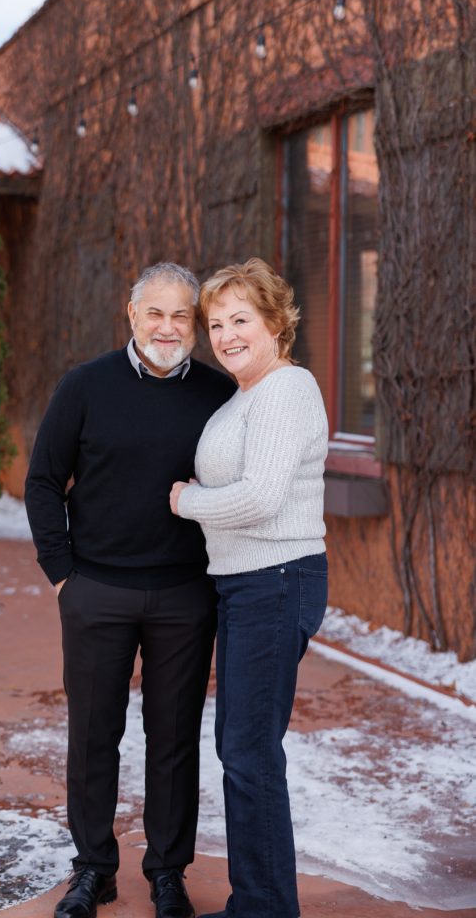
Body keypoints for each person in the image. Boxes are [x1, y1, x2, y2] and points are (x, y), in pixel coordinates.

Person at [25, 262, 235, 918]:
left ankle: (167, 873)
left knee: (173, 739)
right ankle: (93, 871)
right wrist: (62, 574)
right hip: (96, 590)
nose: (167, 327)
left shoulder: (217, 394)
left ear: (193, 325)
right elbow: (41, 481)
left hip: (182, 594)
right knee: (92, 734)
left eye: (181, 316)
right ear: (131, 315)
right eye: (156, 313)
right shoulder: (84, 386)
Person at [170, 258, 329, 918]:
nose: (227, 335)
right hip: (245, 584)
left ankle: (263, 909)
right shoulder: (243, 395)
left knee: (246, 749)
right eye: (215, 324)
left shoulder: (286, 389)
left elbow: (261, 497)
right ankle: (259, 902)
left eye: (241, 320)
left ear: (274, 323)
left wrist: (186, 502)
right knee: (240, 746)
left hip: (276, 577)